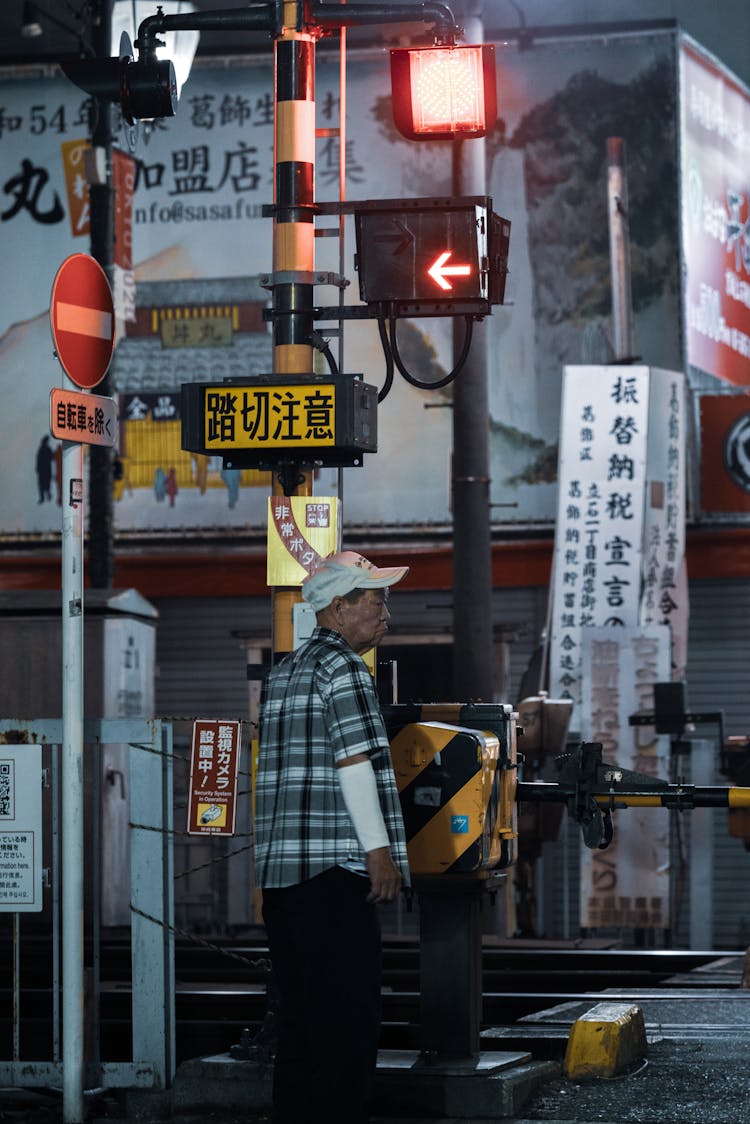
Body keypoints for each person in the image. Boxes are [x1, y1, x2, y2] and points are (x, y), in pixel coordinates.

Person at [254, 550, 411, 1124]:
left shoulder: (285, 670)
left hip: (283, 878)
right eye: (375, 599)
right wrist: (379, 853)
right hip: (334, 873)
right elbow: (353, 763)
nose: (385, 612)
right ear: (339, 609)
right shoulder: (344, 669)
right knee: (346, 1021)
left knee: (300, 1022)